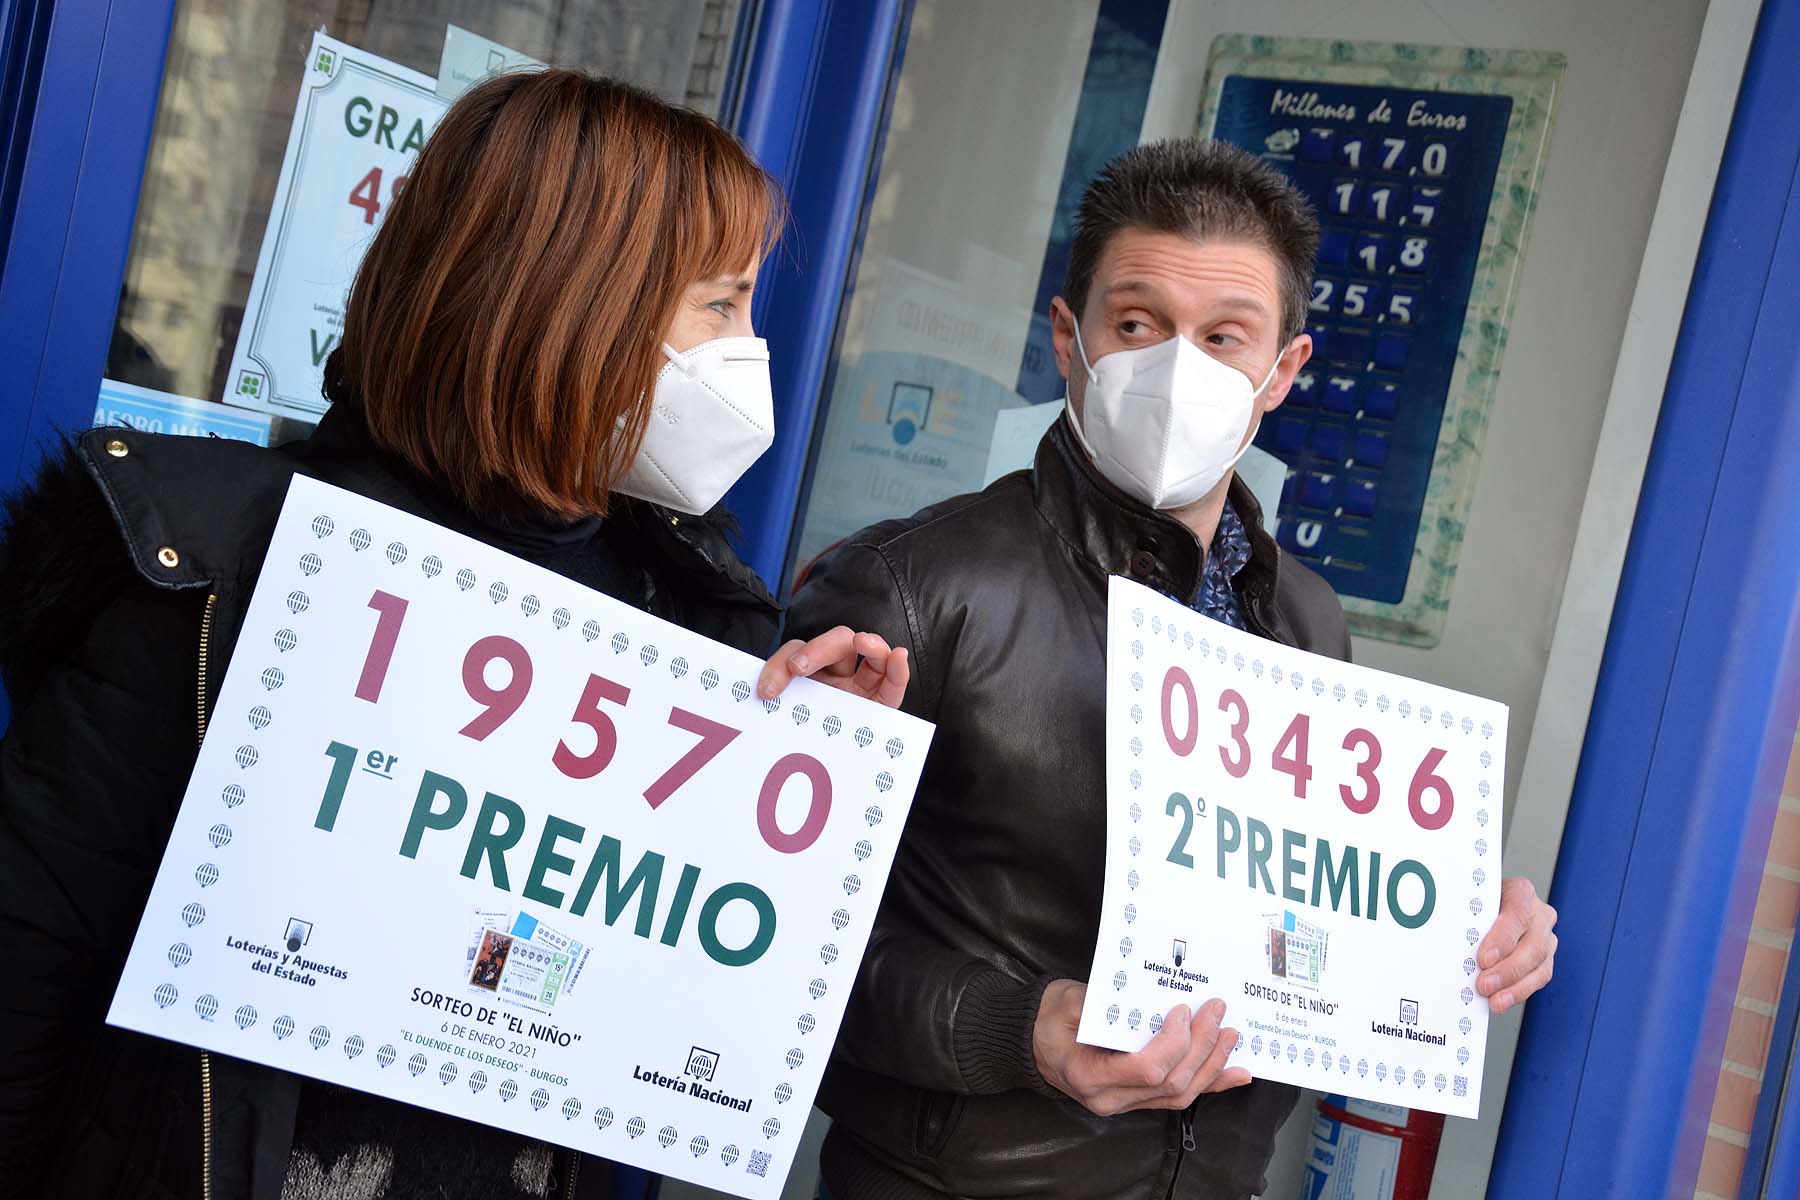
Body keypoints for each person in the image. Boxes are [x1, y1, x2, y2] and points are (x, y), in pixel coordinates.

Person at [0, 70, 907, 1200]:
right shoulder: (224, 572)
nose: (750, 350)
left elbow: (695, 1018)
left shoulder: (683, 616)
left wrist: (806, 775)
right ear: (571, 307)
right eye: (720, 306)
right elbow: (27, 981)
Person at [770, 139, 1558, 1199]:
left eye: (1226, 337)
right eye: (1137, 324)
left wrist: (1450, 933)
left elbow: (1308, 926)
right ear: (1069, 337)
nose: (1178, 367)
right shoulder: (915, 588)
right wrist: (1027, 1032)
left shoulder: (1308, 622)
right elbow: (769, 945)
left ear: (1282, 373)